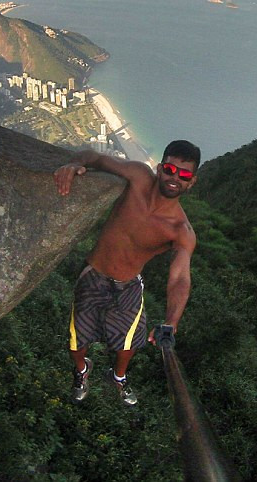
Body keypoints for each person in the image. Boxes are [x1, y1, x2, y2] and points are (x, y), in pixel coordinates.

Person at [53, 139, 201, 406]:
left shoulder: (180, 231)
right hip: (94, 274)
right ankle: (83, 369)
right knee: (76, 342)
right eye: (170, 169)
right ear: (159, 168)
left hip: (128, 285)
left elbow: (179, 277)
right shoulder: (138, 176)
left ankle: (118, 377)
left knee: (129, 344)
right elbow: (96, 158)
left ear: (192, 182)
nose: (175, 178)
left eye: (185, 174)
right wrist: (76, 163)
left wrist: (171, 321)